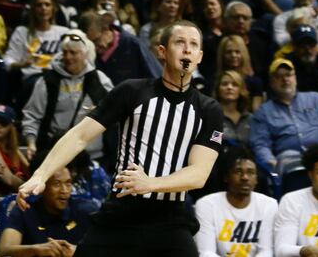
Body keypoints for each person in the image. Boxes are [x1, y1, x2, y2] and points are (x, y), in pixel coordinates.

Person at [15, 20, 225, 257]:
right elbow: (80, 135)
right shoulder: (132, 91)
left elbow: (199, 174)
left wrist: (150, 183)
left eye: (193, 44)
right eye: (180, 42)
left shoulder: (209, 110)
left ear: (199, 57)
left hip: (171, 218)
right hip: (121, 212)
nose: (187, 49)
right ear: (162, 52)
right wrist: (40, 175)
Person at [23, 31, 113, 164]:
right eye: (65, 52)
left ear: (85, 54)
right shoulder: (47, 81)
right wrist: (31, 142)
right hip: (55, 153)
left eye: (73, 52)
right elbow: (32, 116)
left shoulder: (100, 80)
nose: (68, 57)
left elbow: (114, 113)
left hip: (93, 156)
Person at [252, 58, 318, 179]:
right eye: (279, 76)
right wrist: (271, 161)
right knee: (288, 160)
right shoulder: (263, 112)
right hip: (288, 161)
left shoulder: (315, 99)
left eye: (289, 75)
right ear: (271, 82)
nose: (285, 79)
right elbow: (260, 144)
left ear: (295, 78)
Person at [194, 147, 279, 257]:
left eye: (250, 172)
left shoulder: (269, 205)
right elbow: (206, 252)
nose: (245, 177)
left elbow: (266, 251)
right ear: (226, 177)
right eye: (238, 171)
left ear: (257, 179)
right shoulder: (206, 205)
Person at [0, 162, 91, 257]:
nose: (64, 190)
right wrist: (36, 250)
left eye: (68, 183)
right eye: (56, 184)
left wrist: (75, 251)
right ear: (42, 187)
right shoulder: (25, 209)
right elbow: (3, 251)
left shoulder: (81, 210)